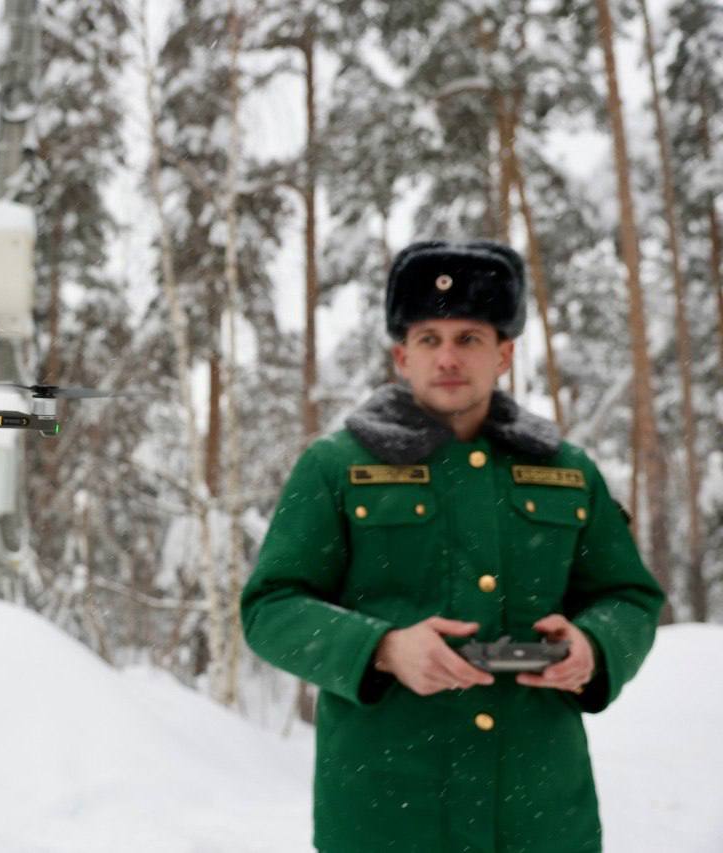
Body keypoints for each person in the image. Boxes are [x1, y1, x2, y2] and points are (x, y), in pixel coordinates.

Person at [240, 240, 665, 853]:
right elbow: (270, 607)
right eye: (429, 338)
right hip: (388, 812)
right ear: (401, 355)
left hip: (538, 814)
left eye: (469, 338)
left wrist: (594, 647)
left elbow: (629, 596)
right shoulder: (335, 467)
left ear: (504, 354)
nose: (448, 357)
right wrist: (382, 648)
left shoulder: (567, 471)